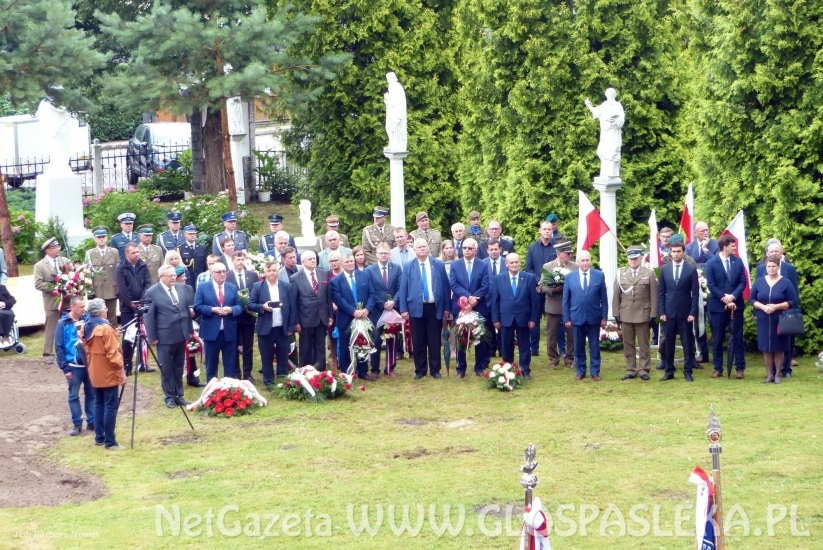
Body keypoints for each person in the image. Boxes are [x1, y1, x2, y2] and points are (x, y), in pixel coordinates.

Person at [397, 238, 451, 379]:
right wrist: (403, 309)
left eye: (424, 246)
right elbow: (403, 289)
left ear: (428, 248)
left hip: (435, 308)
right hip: (415, 308)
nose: (422, 249)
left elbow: (446, 287)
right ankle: (420, 370)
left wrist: (447, 307)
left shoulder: (438, 264)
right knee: (418, 340)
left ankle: (435, 370)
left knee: (434, 340)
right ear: (414, 249)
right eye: (419, 247)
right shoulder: (408, 266)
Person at [144, 264, 195, 408]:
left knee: (179, 366)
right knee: (166, 367)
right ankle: (169, 396)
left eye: (174, 275)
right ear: (161, 277)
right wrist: (152, 337)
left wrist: (189, 330)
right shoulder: (152, 292)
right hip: (164, 335)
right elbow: (149, 316)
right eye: (170, 276)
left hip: (181, 333)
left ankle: (179, 394)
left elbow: (185, 311)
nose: (174, 278)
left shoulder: (180, 288)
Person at [81, 298, 126, 450]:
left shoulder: (87, 326)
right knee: (110, 407)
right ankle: (110, 442)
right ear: (101, 312)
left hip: (95, 371)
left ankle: (99, 437)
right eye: (105, 308)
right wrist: (121, 371)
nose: (107, 310)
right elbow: (113, 355)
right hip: (108, 372)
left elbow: (98, 345)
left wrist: (114, 335)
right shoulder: (106, 329)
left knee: (99, 404)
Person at [490, 253, 542, 379]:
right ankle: (508, 369)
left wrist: (533, 319)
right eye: (511, 263)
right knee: (506, 345)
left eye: (516, 262)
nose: (514, 265)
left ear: (520, 263)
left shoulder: (529, 278)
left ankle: (525, 370)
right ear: (506, 264)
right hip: (505, 318)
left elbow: (534, 301)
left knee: (524, 345)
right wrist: (495, 319)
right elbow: (495, 301)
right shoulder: (498, 278)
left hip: (523, 318)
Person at [750, 255, 798, 385]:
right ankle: (769, 374)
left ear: (778, 267)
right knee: (766, 347)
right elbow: (752, 299)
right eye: (768, 266)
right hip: (763, 318)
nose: (771, 269)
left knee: (778, 347)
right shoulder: (759, 282)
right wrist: (763, 307)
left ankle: (778, 375)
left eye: (773, 266)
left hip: (779, 318)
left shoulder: (785, 282)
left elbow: (793, 301)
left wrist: (777, 306)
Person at [249, 260, 297, 389]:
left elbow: (292, 308)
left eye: (274, 270)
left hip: (282, 327)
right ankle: (269, 381)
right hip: (265, 328)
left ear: (278, 271)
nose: (271, 273)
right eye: (269, 270)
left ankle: (282, 378)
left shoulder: (286, 286)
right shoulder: (258, 286)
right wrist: (263, 307)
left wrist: (290, 328)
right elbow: (250, 304)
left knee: (283, 354)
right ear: (264, 272)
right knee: (266, 356)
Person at [613, 246, 658, 380]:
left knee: (644, 343)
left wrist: (653, 314)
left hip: (643, 313)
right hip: (626, 313)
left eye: (636, 258)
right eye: (631, 259)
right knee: (628, 343)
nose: (633, 261)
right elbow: (616, 295)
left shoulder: (649, 273)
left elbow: (654, 295)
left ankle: (644, 369)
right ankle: (631, 369)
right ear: (627, 259)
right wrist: (615, 312)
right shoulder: (621, 273)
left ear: (641, 258)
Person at [706, 234, 747, 379]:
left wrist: (733, 297)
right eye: (733, 246)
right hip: (718, 307)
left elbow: (743, 282)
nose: (735, 248)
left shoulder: (738, 261)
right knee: (718, 338)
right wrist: (725, 299)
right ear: (725, 247)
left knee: (737, 337)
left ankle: (740, 368)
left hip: (736, 305)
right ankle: (718, 368)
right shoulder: (711, 263)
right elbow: (711, 285)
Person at [450, 238, 493, 378]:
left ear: (475, 250)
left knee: (479, 336)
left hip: (479, 306)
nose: (467, 250)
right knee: (461, 337)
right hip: (461, 306)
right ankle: (460, 369)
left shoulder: (483, 265)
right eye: (464, 248)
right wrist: (468, 298)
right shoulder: (455, 265)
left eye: (470, 248)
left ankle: (479, 367)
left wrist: (474, 302)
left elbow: (486, 285)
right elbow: (454, 284)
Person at [563, 250, 608, 381]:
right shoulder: (570, 277)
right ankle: (581, 370)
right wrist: (567, 318)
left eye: (587, 260)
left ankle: (595, 371)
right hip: (576, 317)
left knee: (594, 345)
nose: (585, 263)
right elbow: (566, 299)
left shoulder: (599, 275)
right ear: (578, 262)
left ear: (590, 261)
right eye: (582, 260)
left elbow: (603, 298)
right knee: (578, 346)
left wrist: (604, 317)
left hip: (594, 316)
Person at [658, 240, 699, 382]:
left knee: (687, 343)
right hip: (668, 312)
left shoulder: (690, 269)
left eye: (678, 251)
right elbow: (661, 292)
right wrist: (661, 312)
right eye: (673, 251)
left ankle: (688, 371)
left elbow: (695, 293)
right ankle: (669, 371)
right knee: (668, 343)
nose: (676, 254)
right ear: (670, 252)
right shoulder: (664, 269)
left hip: (685, 312)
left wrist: (693, 313)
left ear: (683, 252)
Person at [194, 262, 243, 380]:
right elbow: (197, 306)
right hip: (211, 332)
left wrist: (230, 310)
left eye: (224, 271)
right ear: (212, 273)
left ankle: (229, 390)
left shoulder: (232, 287)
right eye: (219, 272)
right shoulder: (203, 287)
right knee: (211, 365)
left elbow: (239, 306)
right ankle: (211, 390)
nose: (222, 274)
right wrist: (212, 309)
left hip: (229, 332)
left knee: (230, 364)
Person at [330, 253, 375, 380]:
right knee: (345, 347)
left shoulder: (365, 275)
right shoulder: (335, 281)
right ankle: (347, 372)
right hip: (346, 318)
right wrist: (353, 311)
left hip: (363, 317)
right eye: (347, 262)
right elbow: (339, 300)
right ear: (341, 264)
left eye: (351, 261)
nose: (350, 264)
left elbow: (372, 294)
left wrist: (367, 309)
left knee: (363, 344)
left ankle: (362, 371)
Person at [55, 296, 93, 436]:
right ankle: (77, 424)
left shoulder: (88, 320)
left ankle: (92, 421)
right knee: (73, 396)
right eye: (81, 307)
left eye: (84, 306)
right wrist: (65, 368)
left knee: (91, 394)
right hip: (73, 366)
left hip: (89, 365)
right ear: (72, 307)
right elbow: (59, 347)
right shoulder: (63, 323)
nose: (84, 309)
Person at [115, 242, 153, 375]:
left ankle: (144, 363)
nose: (137, 255)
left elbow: (148, 283)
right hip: (127, 308)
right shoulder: (120, 268)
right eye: (133, 253)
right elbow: (122, 289)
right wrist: (131, 304)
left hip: (142, 305)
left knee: (144, 335)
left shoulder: (143, 265)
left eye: (138, 252)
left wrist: (142, 301)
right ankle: (127, 364)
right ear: (126, 254)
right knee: (128, 337)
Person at [291, 250, 332, 370]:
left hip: (322, 317)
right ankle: (305, 371)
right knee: (305, 347)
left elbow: (328, 297)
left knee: (320, 346)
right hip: (305, 318)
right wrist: (296, 321)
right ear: (303, 262)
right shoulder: (295, 278)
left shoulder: (324, 274)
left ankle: (320, 372)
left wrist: (330, 315)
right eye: (310, 259)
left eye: (314, 258)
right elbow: (294, 302)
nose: (313, 260)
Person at [538, 240, 577, 369]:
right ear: (559, 254)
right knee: (552, 334)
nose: (570, 256)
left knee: (571, 334)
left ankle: (569, 358)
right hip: (553, 304)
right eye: (568, 253)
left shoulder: (574, 266)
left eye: (571, 253)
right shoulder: (547, 266)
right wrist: (553, 290)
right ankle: (554, 358)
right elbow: (541, 286)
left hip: (570, 306)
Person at [525, 220, 560, 358]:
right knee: (535, 318)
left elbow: (560, 267)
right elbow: (529, 268)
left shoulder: (557, 247)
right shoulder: (532, 247)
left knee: (558, 319)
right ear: (539, 230)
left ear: (552, 231)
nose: (547, 231)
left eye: (549, 229)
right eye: (544, 229)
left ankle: (560, 348)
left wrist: (548, 280)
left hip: (554, 288)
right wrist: (538, 281)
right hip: (537, 288)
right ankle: (534, 348)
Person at [366, 243, 402, 376]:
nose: (383, 255)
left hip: (393, 310)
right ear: (376, 254)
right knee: (376, 340)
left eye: (386, 253)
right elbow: (370, 291)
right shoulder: (369, 270)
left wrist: (394, 302)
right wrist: (382, 303)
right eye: (381, 253)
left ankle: (390, 367)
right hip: (377, 310)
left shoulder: (397, 269)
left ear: (389, 254)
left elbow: (400, 288)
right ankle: (375, 369)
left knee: (392, 338)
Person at [33, 238, 71, 361]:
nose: (58, 249)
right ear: (48, 250)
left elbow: (72, 276)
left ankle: (69, 351)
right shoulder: (39, 266)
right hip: (51, 302)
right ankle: (48, 354)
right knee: (51, 328)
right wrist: (55, 287)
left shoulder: (65, 261)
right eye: (55, 247)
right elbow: (38, 284)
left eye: (58, 246)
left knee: (68, 326)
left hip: (67, 300)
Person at [227, 251, 259, 381]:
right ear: (232, 261)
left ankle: (247, 373)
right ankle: (235, 372)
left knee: (248, 345)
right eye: (238, 260)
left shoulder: (252, 275)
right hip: (233, 316)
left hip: (248, 316)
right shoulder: (227, 276)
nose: (240, 262)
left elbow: (256, 293)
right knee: (233, 345)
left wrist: (251, 307)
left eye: (242, 260)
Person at [584, 88, 625, 179]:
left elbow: (621, 120)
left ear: (614, 95)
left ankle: (611, 174)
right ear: (606, 95)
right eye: (608, 94)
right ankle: (606, 173)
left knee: (611, 152)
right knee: (601, 151)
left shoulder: (618, 106)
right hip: (605, 133)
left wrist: (614, 120)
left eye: (611, 94)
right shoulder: (605, 105)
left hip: (613, 132)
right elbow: (596, 112)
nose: (609, 96)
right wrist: (588, 105)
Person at [85, 226, 119, 326]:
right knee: (98, 317)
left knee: (112, 316)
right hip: (97, 290)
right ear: (95, 239)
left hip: (111, 289)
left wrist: (118, 290)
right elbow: (87, 274)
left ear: (107, 238)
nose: (101, 239)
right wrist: (90, 291)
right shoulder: (90, 253)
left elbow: (118, 271)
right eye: (99, 237)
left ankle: (113, 338)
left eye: (103, 237)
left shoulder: (114, 252)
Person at [326, 250, 344, 370]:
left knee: (345, 334)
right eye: (331, 261)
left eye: (336, 260)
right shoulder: (327, 275)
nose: (334, 263)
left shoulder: (346, 273)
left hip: (345, 309)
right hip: (332, 310)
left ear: (341, 261)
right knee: (332, 335)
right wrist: (332, 303)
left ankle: (345, 358)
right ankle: (334, 359)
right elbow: (326, 292)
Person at [0, 283, 16, 348]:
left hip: (5, 309)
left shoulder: (2, 288)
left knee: (10, 314)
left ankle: (5, 338)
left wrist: (4, 303)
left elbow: (12, 299)